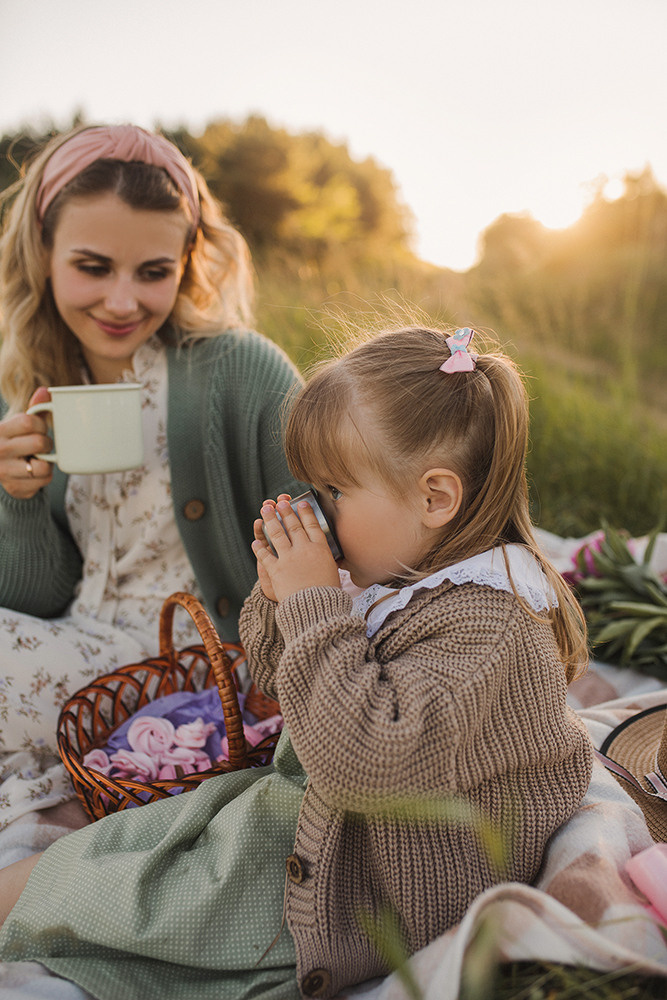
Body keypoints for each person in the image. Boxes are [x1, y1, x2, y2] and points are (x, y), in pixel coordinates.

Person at [0, 325, 593, 1000]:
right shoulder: (398, 569)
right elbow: (281, 679)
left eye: (335, 491)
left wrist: (314, 603)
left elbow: (366, 767)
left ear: (434, 499)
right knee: (109, 848)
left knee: (121, 903)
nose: (319, 508)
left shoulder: (489, 626)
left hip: (357, 891)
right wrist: (282, 591)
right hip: (314, 821)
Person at [0, 123, 303, 827]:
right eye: (93, 267)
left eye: (152, 272)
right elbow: (37, 598)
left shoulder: (239, 370)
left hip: (203, 667)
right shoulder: (29, 394)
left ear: (187, 263)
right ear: (43, 255)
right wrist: (14, 502)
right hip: (80, 652)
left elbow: (320, 524)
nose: (121, 301)